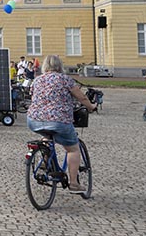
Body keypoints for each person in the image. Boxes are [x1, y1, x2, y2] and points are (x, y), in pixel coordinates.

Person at [26, 54, 96, 193]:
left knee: (46, 135)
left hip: (34, 120)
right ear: (60, 66)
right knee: (72, 149)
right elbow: (81, 97)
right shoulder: (65, 80)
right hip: (58, 121)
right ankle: (74, 183)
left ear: (45, 66)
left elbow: (33, 95)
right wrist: (91, 106)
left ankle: (46, 162)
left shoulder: (37, 80)